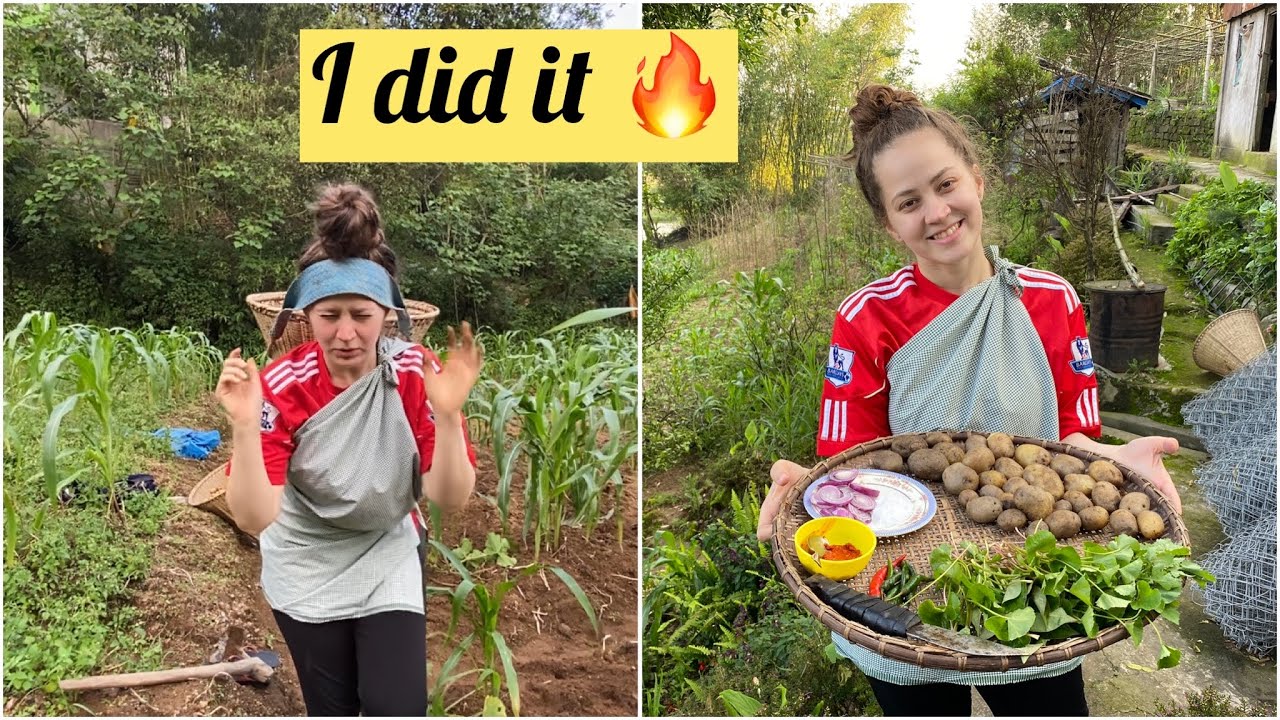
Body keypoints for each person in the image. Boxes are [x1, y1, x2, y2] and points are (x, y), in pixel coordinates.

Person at [754, 85, 1183, 716]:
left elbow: (1076, 442)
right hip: (909, 590)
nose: (936, 212)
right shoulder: (868, 318)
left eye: (945, 184)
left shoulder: (1050, 300)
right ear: (888, 222)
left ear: (977, 181)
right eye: (908, 202)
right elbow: (846, 467)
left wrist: (1123, 461)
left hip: (1032, 574)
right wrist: (802, 487)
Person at [215, 183, 479, 716]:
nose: (346, 334)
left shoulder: (412, 374)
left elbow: (450, 498)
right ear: (306, 318)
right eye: (329, 315)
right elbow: (254, 517)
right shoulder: (284, 386)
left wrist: (448, 417)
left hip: (384, 550)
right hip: (306, 557)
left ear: (387, 314)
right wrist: (245, 427)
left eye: (361, 314)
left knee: (396, 707)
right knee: (330, 707)